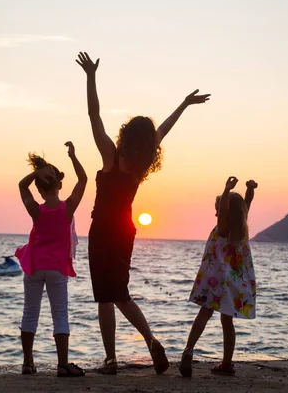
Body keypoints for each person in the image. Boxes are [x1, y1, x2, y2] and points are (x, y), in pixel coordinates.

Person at [76, 51, 210, 375]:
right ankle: (150, 341)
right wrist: (183, 105)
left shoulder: (111, 157)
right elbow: (164, 128)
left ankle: (113, 359)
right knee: (120, 293)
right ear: (148, 144)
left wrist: (91, 77)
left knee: (106, 298)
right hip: (125, 231)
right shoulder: (140, 166)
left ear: (125, 136)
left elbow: (94, 115)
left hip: (103, 230)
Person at [15, 142, 87, 377]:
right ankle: (63, 365)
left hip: (34, 267)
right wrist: (73, 157)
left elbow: (20, 185)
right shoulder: (68, 208)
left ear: (39, 190)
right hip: (56, 270)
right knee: (60, 314)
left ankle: (27, 363)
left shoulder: (35, 210)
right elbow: (83, 180)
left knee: (30, 312)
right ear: (59, 185)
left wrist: (36, 172)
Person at [180, 178, 258, 377]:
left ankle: (188, 351)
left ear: (225, 212)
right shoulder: (240, 228)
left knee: (204, 314)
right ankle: (227, 363)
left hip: (214, 280)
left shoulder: (223, 228)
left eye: (217, 209)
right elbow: (246, 205)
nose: (216, 213)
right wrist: (249, 190)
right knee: (227, 322)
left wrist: (226, 190)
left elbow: (226, 209)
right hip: (233, 283)